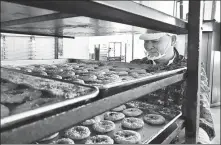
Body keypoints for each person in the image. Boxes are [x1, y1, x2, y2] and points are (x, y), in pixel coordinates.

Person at [130, 30, 215, 144]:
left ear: (173, 40)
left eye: (155, 41)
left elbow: (201, 109)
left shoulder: (191, 68)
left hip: (175, 132)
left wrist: (198, 137)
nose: (148, 47)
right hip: (138, 130)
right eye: (146, 41)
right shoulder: (135, 67)